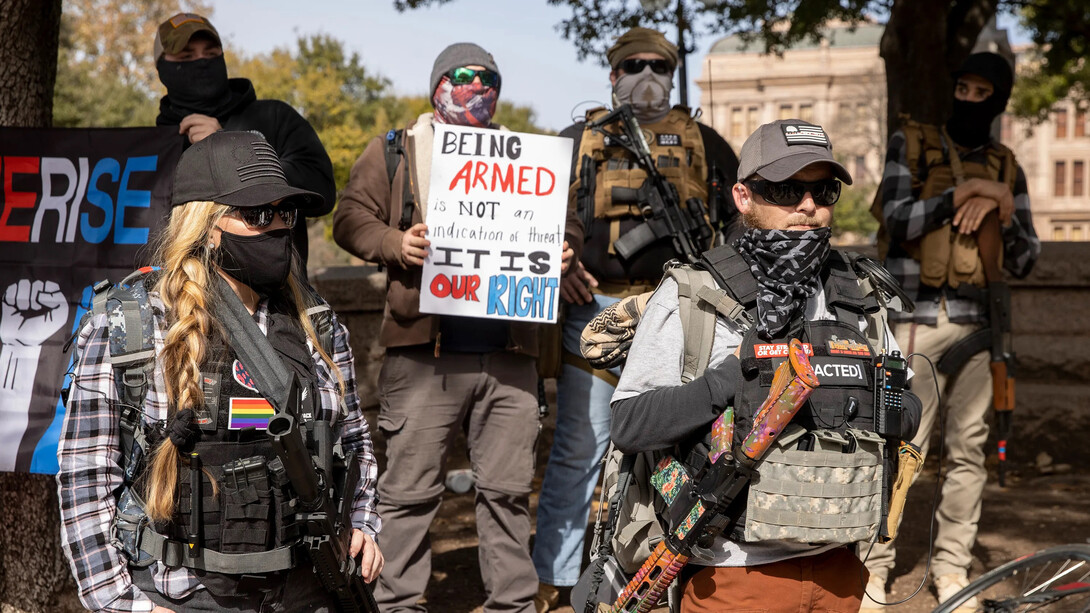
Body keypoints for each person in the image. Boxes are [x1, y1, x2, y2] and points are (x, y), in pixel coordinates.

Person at [57, 131, 383, 612]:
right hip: (183, 596)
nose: (277, 227)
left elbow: (353, 441)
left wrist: (363, 522)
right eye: (257, 214)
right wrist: (123, 604)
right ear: (206, 224)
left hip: (306, 592)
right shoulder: (133, 325)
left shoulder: (316, 323)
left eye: (286, 213)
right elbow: (86, 477)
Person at [609, 119, 921, 612]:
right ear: (743, 196)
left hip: (840, 569)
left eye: (824, 190)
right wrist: (735, 378)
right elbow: (630, 424)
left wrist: (863, 393)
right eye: (785, 189)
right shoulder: (694, 293)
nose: (808, 205)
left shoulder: (857, 291)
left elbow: (907, 411)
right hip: (732, 575)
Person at [332, 43, 583, 613]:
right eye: (465, 76)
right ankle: (398, 604)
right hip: (425, 356)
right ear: (438, 84)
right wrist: (395, 243)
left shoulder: (528, 158)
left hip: (510, 356)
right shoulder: (395, 149)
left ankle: (512, 605)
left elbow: (567, 220)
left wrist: (565, 247)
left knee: (508, 494)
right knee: (407, 493)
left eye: (490, 79)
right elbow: (348, 217)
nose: (478, 88)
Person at [532, 26, 740, 610]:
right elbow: (531, 217)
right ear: (613, 73)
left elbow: (741, 217)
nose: (647, 76)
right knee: (581, 449)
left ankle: (673, 570)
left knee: (684, 447)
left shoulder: (705, 142)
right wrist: (557, 267)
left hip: (684, 315)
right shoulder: (577, 139)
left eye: (659, 66)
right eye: (634, 65)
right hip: (594, 312)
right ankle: (555, 576)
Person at [862, 52, 1040, 610]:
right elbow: (894, 218)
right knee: (898, 446)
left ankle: (952, 569)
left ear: (998, 101)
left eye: (981, 92)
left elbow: (1026, 258)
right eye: (962, 87)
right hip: (913, 320)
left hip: (978, 327)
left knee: (969, 454)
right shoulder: (912, 144)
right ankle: (874, 568)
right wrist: (959, 196)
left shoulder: (1008, 166)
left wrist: (1001, 209)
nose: (968, 99)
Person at [153, 12, 335, 269]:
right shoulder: (152, 145)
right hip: (183, 288)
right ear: (162, 68)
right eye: (186, 57)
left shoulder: (274, 117)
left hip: (274, 291)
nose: (201, 62)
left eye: (211, 53)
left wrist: (226, 147)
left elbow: (321, 190)